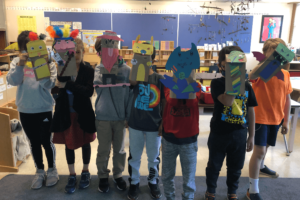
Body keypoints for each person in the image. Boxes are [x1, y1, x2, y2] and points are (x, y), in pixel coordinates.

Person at [6, 31, 58, 190]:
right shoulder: (16, 62)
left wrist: (40, 65)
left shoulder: (48, 62)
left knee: (46, 141)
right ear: (22, 49)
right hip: (25, 109)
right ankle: (40, 170)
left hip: (43, 108)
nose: (30, 52)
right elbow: (12, 81)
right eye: (26, 48)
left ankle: (52, 169)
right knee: (34, 142)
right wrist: (21, 65)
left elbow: (49, 85)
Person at [205, 46, 257, 200]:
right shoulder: (217, 84)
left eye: (236, 63)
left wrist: (251, 136)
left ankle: (232, 192)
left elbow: (251, 111)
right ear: (221, 64)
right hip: (219, 133)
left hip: (240, 134)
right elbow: (228, 101)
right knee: (214, 166)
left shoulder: (247, 86)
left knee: (235, 167)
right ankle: (210, 191)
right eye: (229, 63)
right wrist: (235, 80)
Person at [247, 38, 292, 200]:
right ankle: (253, 190)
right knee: (259, 151)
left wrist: (286, 120)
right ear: (265, 54)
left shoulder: (285, 74)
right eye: (271, 53)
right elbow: (251, 75)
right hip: (259, 117)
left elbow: (287, 99)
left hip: (275, 118)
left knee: (264, 149)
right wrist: (269, 62)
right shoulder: (262, 72)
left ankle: (261, 166)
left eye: (278, 54)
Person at [51, 38, 96, 194]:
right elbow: (59, 85)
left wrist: (68, 85)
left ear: (83, 52)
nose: (75, 55)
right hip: (66, 112)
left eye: (78, 52)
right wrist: (61, 66)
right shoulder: (64, 69)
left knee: (85, 142)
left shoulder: (89, 70)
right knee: (69, 144)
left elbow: (88, 92)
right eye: (72, 52)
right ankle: (72, 174)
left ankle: (85, 171)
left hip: (83, 113)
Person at [127, 43, 166, 200]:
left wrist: (163, 122)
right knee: (134, 156)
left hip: (154, 125)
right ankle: (134, 182)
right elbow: (132, 83)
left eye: (146, 56)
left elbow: (163, 101)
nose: (143, 58)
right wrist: (136, 66)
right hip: (136, 123)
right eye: (140, 55)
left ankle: (153, 180)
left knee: (153, 156)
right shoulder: (135, 76)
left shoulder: (159, 78)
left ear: (153, 58)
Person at [93, 34, 131, 193]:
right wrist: (107, 68)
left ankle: (118, 174)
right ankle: (102, 175)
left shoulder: (126, 69)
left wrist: (128, 115)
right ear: (100, 52)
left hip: (120, 116)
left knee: (119, 149)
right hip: (103, 116)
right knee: (103, 149)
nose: (110, 51)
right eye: (105, 48)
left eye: (113, 47)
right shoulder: (98, 68)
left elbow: (129, 94)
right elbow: (97, 86)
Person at [162, 82, 201, 200]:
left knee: (189, 178)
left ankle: (188, 198)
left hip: (189, 138)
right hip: (169, 137)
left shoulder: (197, 85)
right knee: (167, 176)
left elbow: (191, 102)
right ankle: (169, 197)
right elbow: (172, 101)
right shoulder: (168, 84)